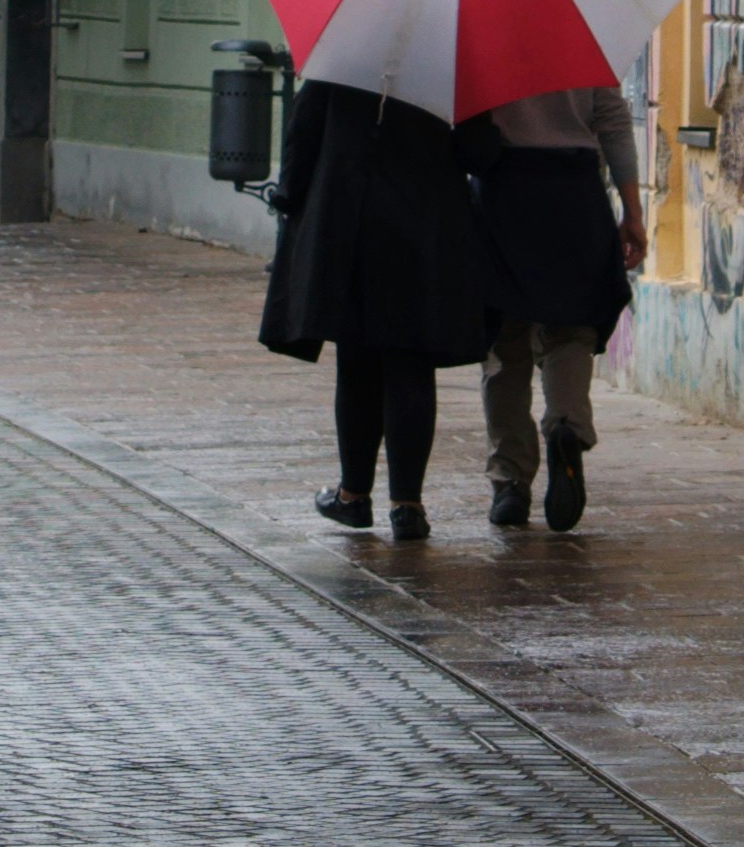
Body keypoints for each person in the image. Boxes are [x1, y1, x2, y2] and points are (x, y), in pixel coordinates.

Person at [256, 78, 491, 542]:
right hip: (424, 229)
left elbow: (303, 133)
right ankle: (408, 506)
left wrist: (290, 196)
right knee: (411, 361)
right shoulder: (446, 61)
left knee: (358, 361)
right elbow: (480, 151)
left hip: (350, 223)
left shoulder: (345, 50)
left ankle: (353, 496)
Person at [460, 72, 646, 533]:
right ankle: (566, 424)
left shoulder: (479, 31)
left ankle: (509, 481)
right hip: (574, 192)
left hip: (504, 191)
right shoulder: (578, 29)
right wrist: (633, 211)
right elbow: (613, 121)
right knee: (570, 329)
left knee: (504, 341)